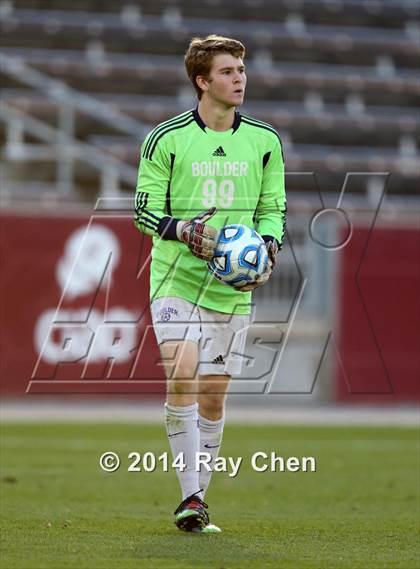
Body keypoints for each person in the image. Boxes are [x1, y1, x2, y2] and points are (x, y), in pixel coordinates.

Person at [134, 35, 286, 533]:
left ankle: (201, 496)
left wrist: (267, 245)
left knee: (214, 396)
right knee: (182, 370)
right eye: (227, 71)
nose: (239, 78)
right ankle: (191, 499)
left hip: (231, 288)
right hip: (177, 277)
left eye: (241, 69)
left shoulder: (264, 141)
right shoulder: (167, 138)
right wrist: (184, 230)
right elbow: (143, 208)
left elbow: (273, 208)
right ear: (202, 81)